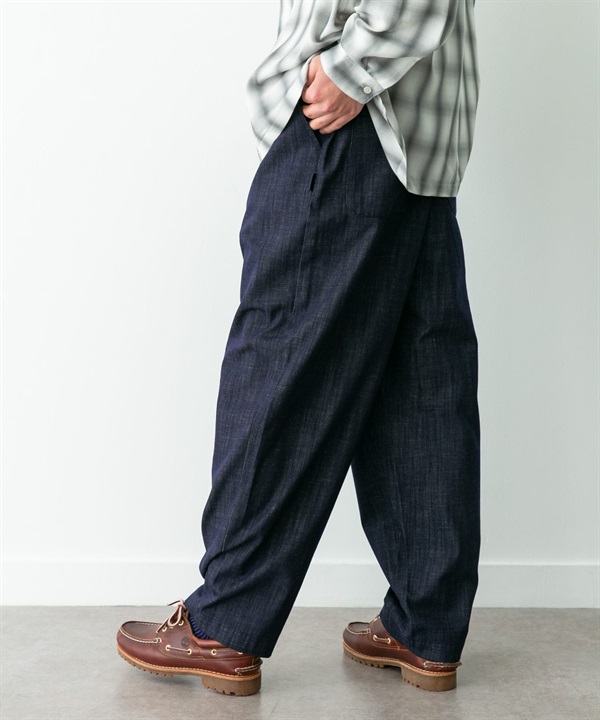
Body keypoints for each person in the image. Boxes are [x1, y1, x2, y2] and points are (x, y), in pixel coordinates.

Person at [116, 0, 481, 696]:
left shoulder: (351, 84)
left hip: (354, 117)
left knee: (279, 365)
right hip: (422, 135)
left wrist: (349, 67)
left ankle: (223, 623)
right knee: (418, 382)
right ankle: (425, 623)